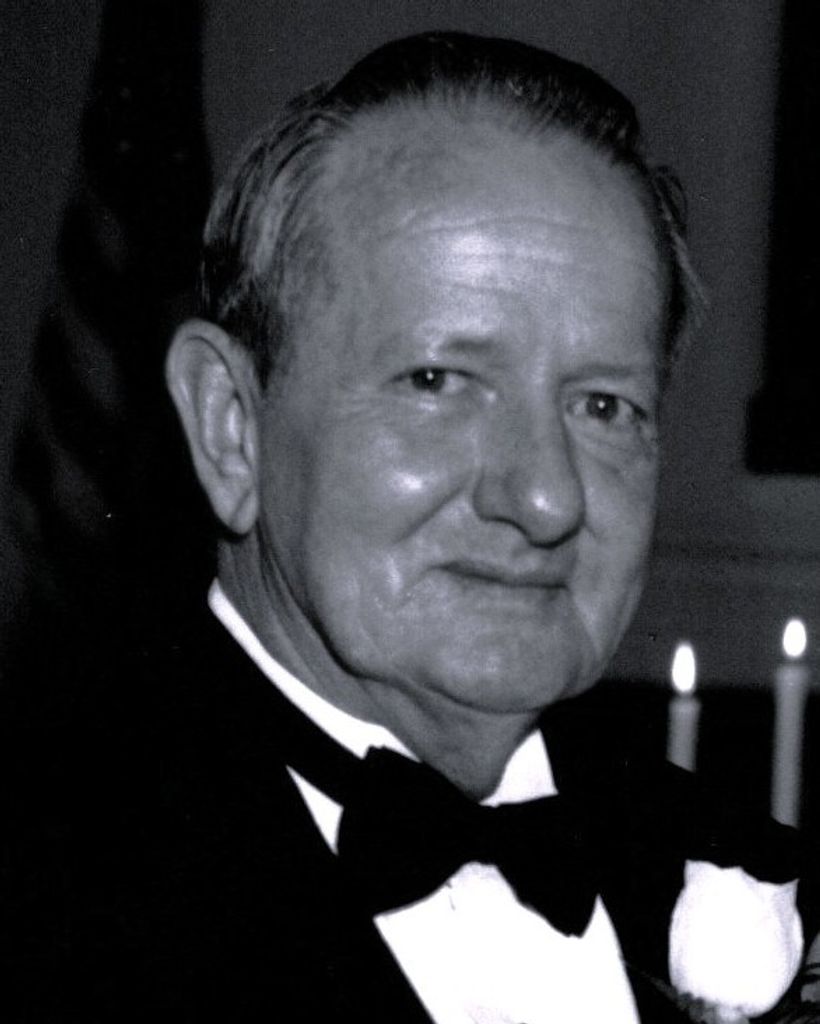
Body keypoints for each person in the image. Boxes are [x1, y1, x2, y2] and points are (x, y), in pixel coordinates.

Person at [5, 30, 809, 1024]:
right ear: (230, 427)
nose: (547, 497)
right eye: (438, 382)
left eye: (604, 406)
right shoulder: (52, 899)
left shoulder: (747, 870)